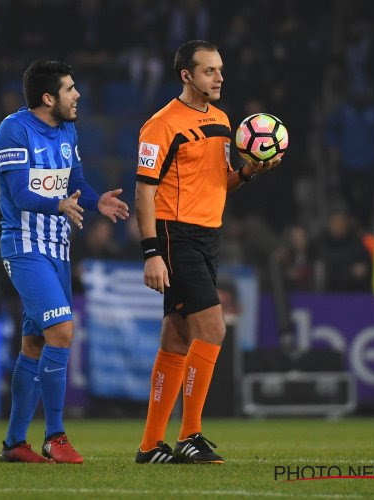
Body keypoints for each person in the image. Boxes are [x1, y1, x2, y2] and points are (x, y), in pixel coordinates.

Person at [134, 40, 280, 464]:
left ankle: (149, 446)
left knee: (177, 337)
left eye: (220, 70)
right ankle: (190, 435)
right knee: (213, 329)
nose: (219, 77)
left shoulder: (222, 121)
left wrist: (249, 172)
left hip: (207, 236)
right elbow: (145, 193)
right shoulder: (159, 125)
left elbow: (220, 184)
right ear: (186, 75)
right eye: (209, 71)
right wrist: (151, 252)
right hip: (174, 235)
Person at [0, 60, 128, 464]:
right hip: (24, 246)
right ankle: (56, 435)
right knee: (63, 330)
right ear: (48, 97)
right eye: (70, 89)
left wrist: (95, 199)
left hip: (58, 250)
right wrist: (59, 203)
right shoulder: (13, 130)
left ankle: (16, 443)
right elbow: (19, 194)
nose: (78, 95)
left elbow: (76, 182)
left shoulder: (68, 129)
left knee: (35, 343)